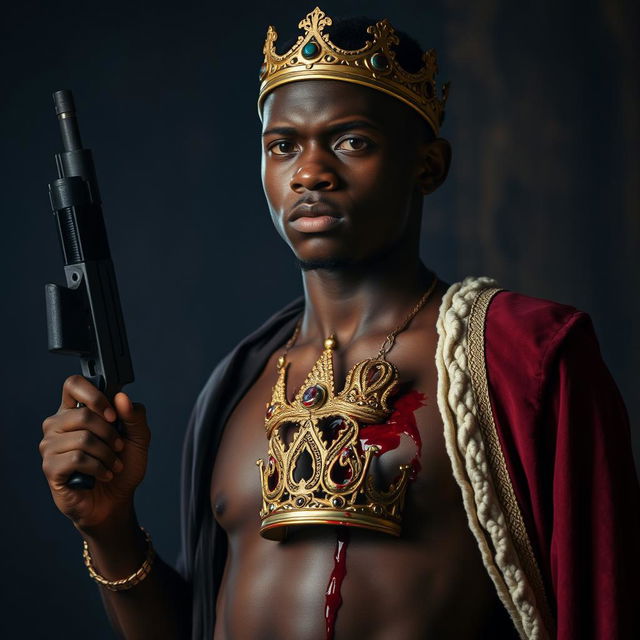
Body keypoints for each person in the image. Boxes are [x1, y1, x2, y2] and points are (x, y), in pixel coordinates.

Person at [39, 7, 640, 640]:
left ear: (428, 166)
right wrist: (108, 528)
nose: (309, 172)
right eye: (283, 146)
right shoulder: (238, 385)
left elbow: (603, 603)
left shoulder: (522, 358)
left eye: (352, 141)